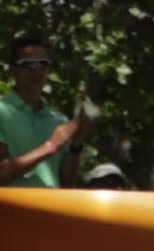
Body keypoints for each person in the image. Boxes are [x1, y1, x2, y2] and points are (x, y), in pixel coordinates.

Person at [0, 34, 90, 189]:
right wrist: (50, 146)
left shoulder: (58, 120)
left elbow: (67, 185)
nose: (37, 71)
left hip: (47, 211)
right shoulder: (2, 112)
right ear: (12, 70)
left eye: (43, 64)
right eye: (28, 64)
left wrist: (76, 144)